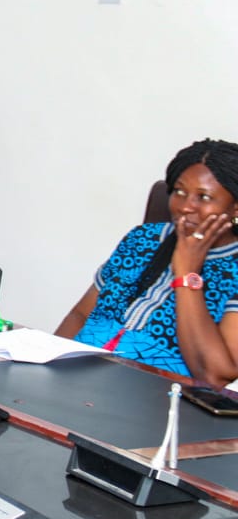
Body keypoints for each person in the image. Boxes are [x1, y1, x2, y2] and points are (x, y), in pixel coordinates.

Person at [56, 139, 238, 386]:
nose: (186, 207)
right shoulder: (143, 239)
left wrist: (186, 272)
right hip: (77, 376)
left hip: (155, 397)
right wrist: (48, 366)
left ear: (235, 208)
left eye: (203, 197)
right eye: (179, 192)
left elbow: (215, 374)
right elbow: (81, 314)